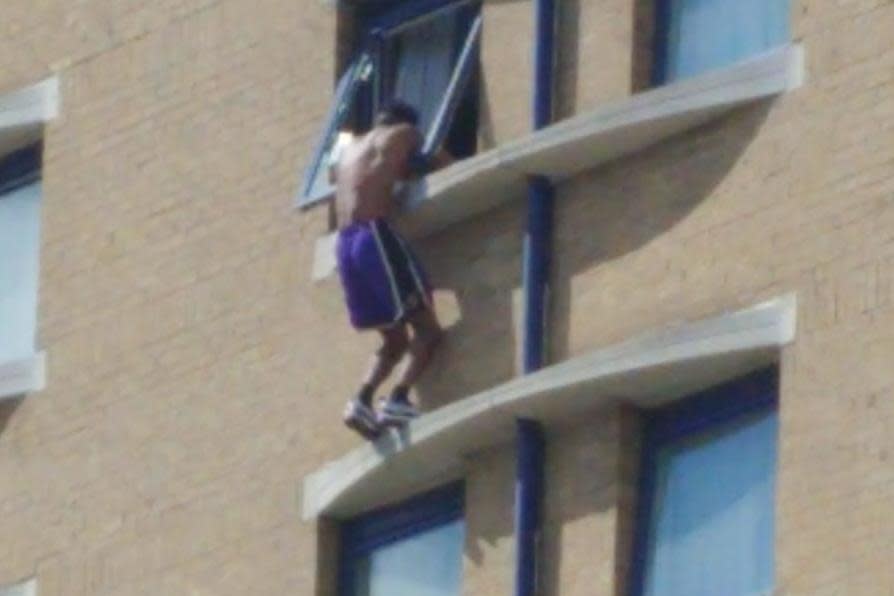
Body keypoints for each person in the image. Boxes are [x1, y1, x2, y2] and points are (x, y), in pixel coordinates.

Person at [332, 102, 452, 439]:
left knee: (393, 339)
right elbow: (428, 161)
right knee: (428, 330)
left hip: (344, 245)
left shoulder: (349, 149)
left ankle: (361, 399)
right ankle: (398, 398)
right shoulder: (404, 134)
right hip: (375, 237)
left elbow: (360, 178)